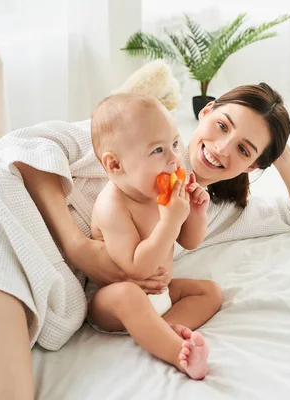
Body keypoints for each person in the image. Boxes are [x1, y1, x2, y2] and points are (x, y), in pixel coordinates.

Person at [0, 82, 290, 399]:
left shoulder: (218, 209)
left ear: (254, 165)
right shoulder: (137, 129)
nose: (222, 148)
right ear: (205, 112)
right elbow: (25, 144)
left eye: (244, 149)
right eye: (223, 125)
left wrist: (276, 144)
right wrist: (77, 247)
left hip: (33, 274)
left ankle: (165, 339)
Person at [87, 93, 220, 380]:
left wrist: (195, 212)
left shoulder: (162, 192)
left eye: (174, 143)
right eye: (157, 150)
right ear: (115, 165)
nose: (174, 158)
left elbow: (191, 242)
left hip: (162, 293)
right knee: (128, 294)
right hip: (115, 304)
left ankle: (163, 330)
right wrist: (171, 220)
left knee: (210, 292)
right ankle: (177, 353)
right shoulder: (113, 205)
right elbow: (136, 268)